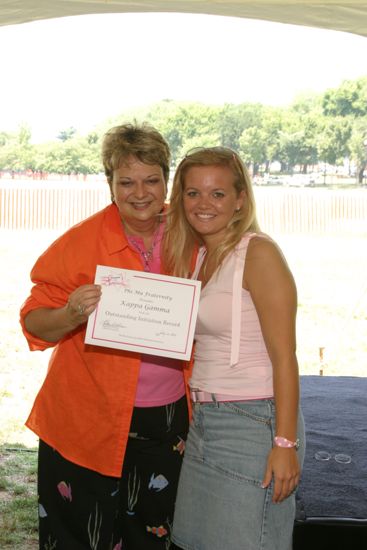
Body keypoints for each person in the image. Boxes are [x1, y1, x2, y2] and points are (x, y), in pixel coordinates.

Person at [20, 122, 191, 550]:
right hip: (85, 419)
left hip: (167, 419)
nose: (139, 192)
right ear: (109, 184)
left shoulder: (190, 234)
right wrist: (71, 312)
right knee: (81, 535)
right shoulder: (81, 242)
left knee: (152, 533)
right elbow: (34, 321)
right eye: (126, 181)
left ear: (166, 180)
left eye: (151, 179)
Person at [163, 146, 305, 550]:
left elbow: (285, 357)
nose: (203, 203)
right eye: (192, 193)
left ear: (240, 199)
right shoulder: (201, 257)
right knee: (193, 542)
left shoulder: (258, 253)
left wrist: (284, 443)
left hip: (254, 422)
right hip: (206, 421)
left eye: (217, 193)